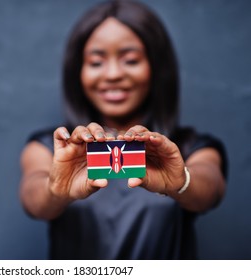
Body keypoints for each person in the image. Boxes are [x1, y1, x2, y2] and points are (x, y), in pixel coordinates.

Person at [19, 0, 227, 259]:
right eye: (96, 62)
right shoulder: (52, 148)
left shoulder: (191, 147)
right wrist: (54, 191)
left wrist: (181, 181)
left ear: (156, 67)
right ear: (78, 72)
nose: (113, 74)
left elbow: (210, 192)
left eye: (130, 60)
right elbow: (33, 200)